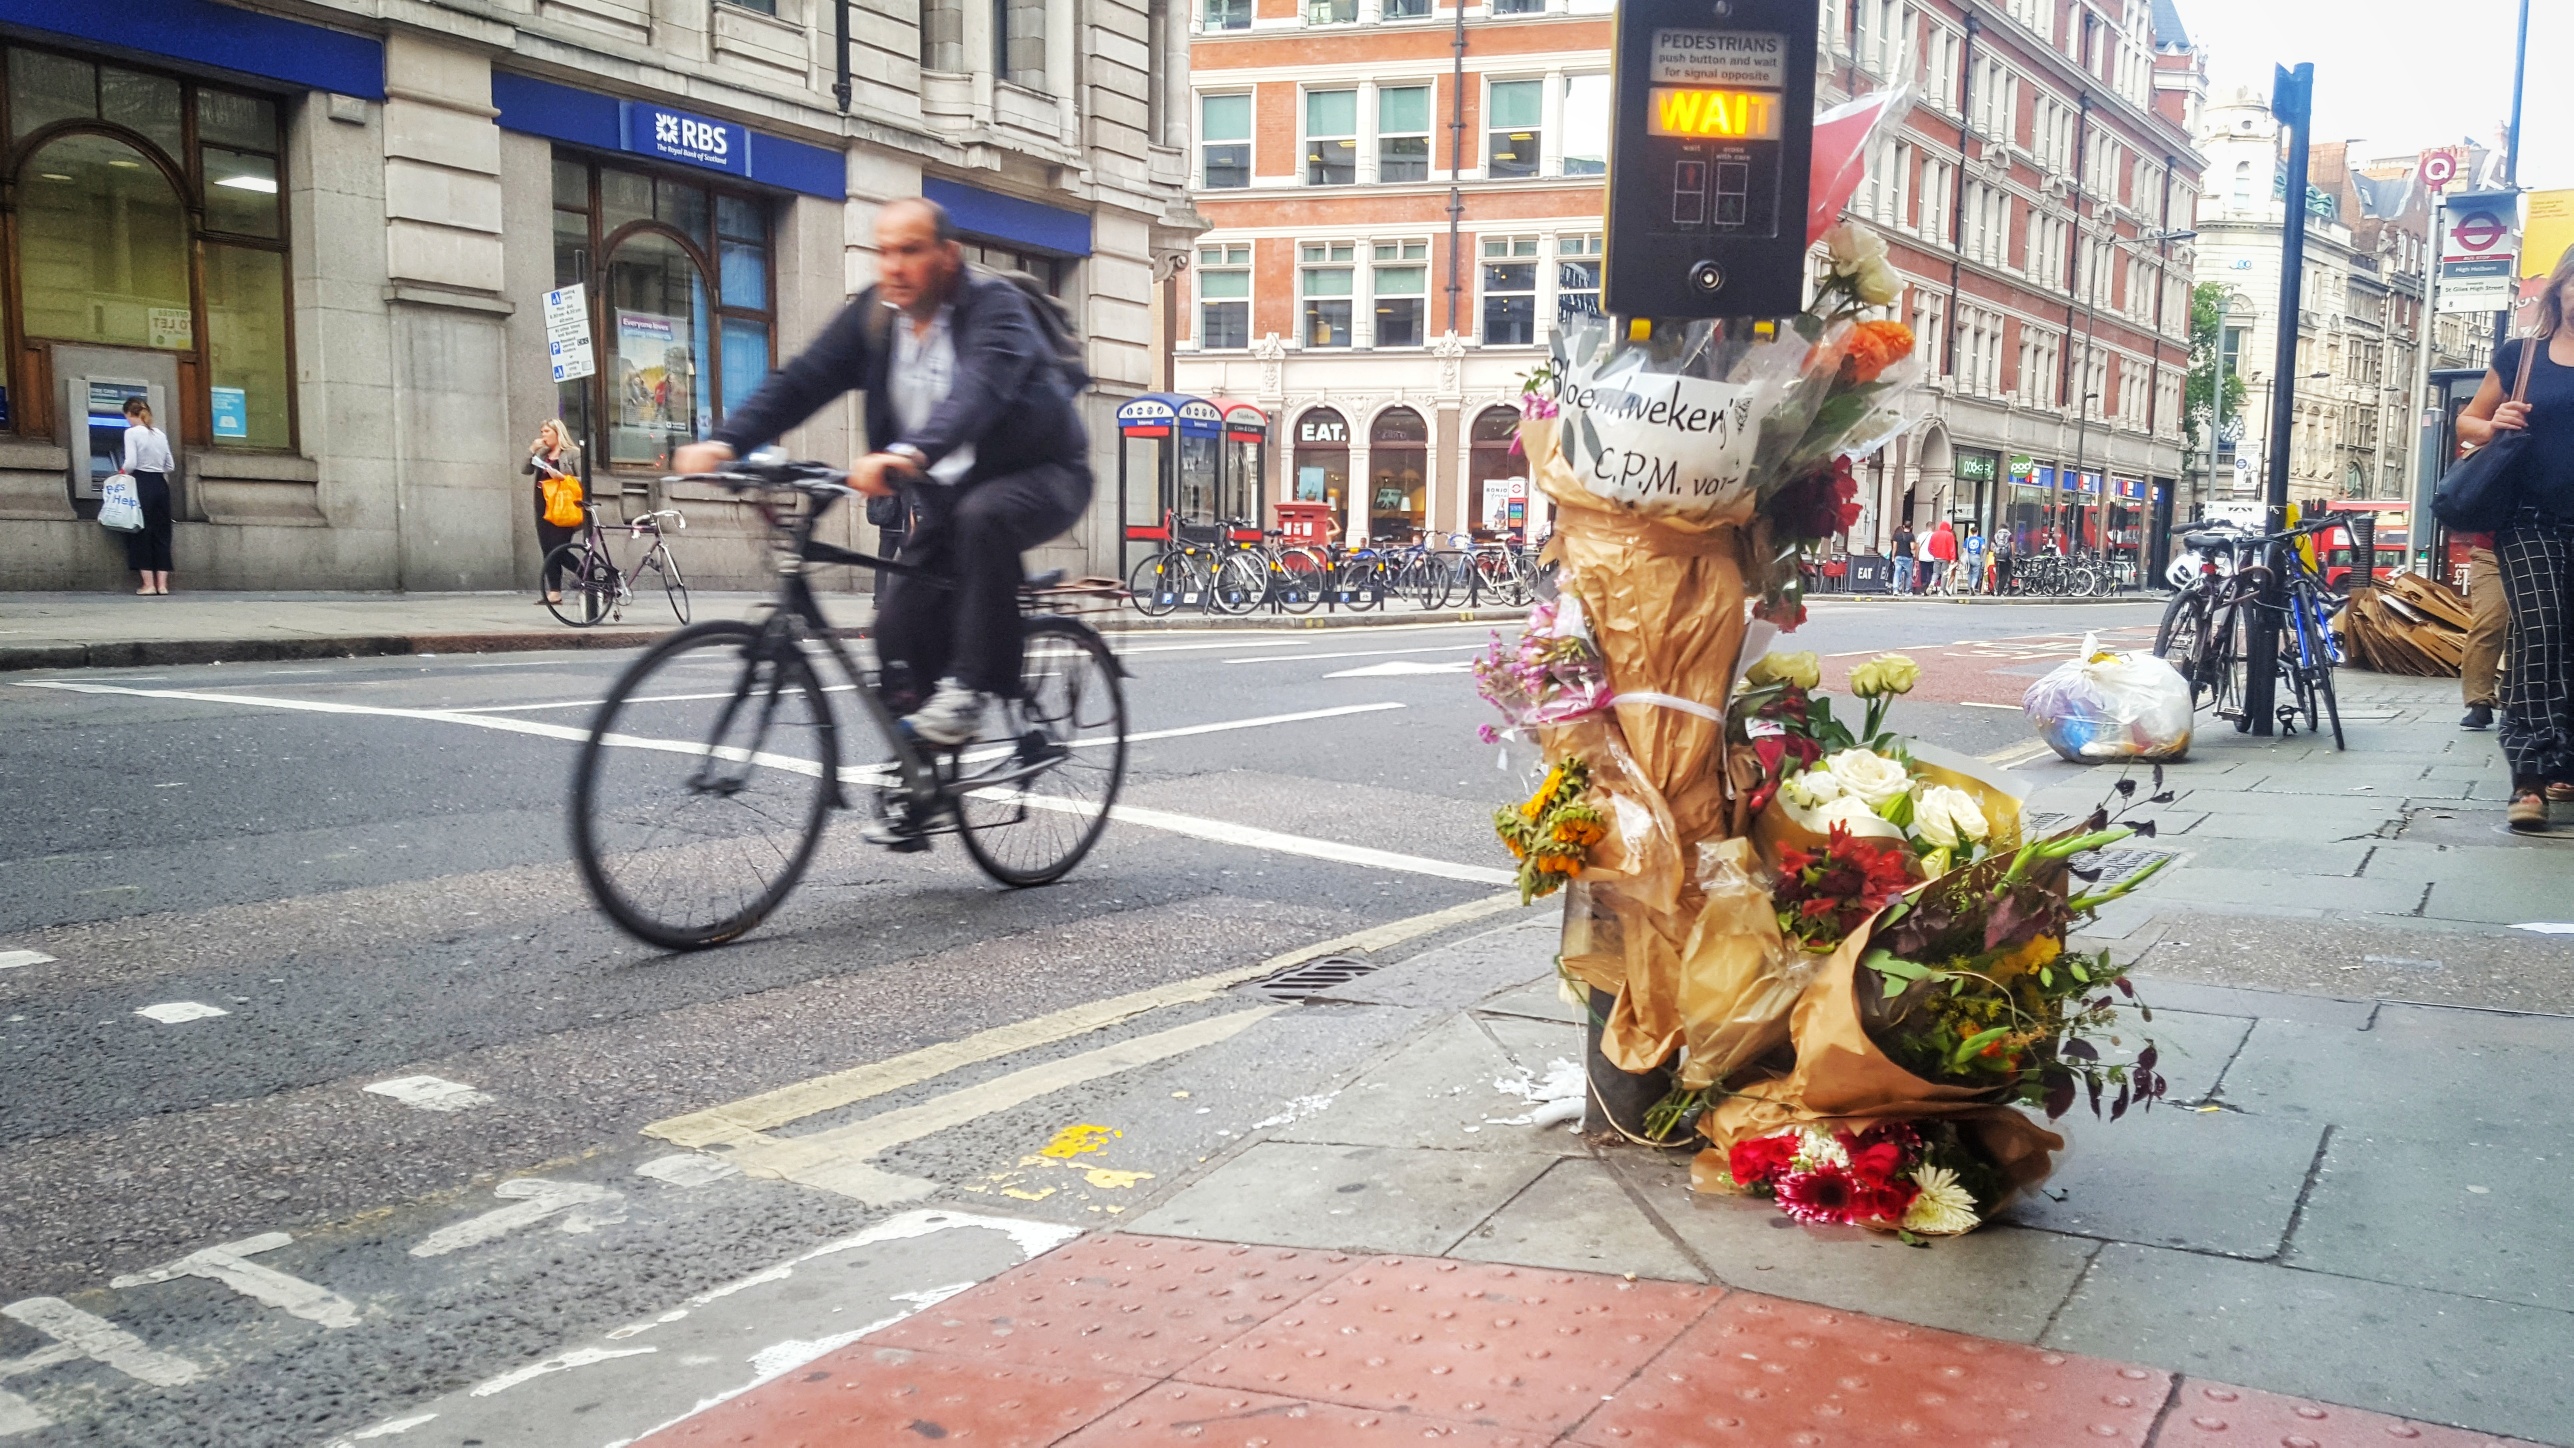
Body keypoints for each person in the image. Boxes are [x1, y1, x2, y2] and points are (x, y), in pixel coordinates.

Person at [675, 196, 1091, 758]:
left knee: (984, 516)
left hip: (1046, 474)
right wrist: (727, 442)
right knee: (897, 625)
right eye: (885, 251)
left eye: (910, 251)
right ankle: (920, 769)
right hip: (949, 498)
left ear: (948, 256)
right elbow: (803, 380)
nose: (893, 266)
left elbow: (977, 395)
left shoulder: (994, 310)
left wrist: (908, 454)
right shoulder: (876, 318)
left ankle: (969, 690)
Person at [2455, 247, 2574, 831]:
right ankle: (2528, 775)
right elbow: (2468, 421)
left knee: (2570, 641)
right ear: (2560, 291)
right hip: (2529, 518)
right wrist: (2494, 421)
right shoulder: (2522, 355)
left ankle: (2565, 755)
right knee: (2540, 631)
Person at [119, 397, 176, 596]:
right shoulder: (159, 434)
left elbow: (131, 463)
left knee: (141, 533)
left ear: (128, 414)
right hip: (160, 485)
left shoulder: (131, 433)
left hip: (141, 484)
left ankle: (148, 585)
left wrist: (120, 473)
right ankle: (162, 585)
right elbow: (170, 466)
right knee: (162, 534)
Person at [526, 419, 583, 606]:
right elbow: (525, 470)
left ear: (557, 433)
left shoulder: (573, 453)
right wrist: (531, 450)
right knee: (547, 550)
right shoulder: (542, 454)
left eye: (546, 431)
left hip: (563, 506)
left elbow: (585, 480)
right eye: (541, 431)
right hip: (543, 506)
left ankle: (591, 579)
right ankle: (554, 592)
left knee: (559, 550)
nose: (543, 435)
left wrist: (562, 477)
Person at [2459, 535, 2504, 730]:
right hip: (2492, 553)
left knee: (2535, 627)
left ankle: (2518, 699)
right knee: (2489, 624)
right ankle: (2479, 701)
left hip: (2547, 549)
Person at [1924, 519, 1958, 593]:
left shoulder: (1934, 534)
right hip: (1946, 558)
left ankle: (1932, 583)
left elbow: (1930, 547)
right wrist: (1952, 558)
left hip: (1936, 557)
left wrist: (1934, 554)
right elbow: (1952, 548)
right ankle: (1941, 591)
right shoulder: (1949, 535)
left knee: (1935, 572)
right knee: (1944, 573)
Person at [1890, 520, 1916, 595]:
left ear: (1903, 526)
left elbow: (1894, 547)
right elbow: (1912, 547)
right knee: (1908, 574)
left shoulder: (1897, 535)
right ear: (1911, 527)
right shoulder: (1911, 536)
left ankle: (1895, 589)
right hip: (1908, 557)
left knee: (1897, 573)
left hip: (1898, 556)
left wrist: (1893, 557)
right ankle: (1907, 590)